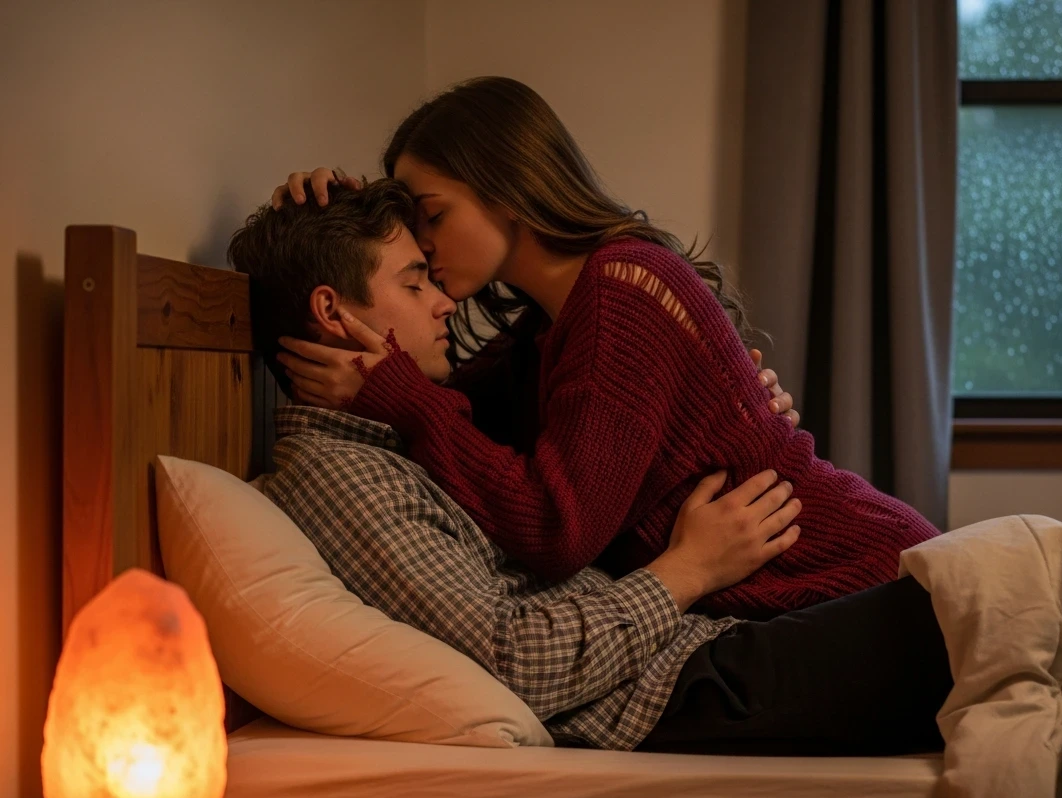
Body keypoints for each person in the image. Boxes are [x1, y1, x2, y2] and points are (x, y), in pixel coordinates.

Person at [227, 179, 954, 756]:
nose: (447, 301)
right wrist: (686, 572)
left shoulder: (408, 429)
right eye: (415, 282)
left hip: (682, 649)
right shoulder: (340, 477)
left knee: (987, 587)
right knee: (973, 611)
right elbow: (512, 663)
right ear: (330, 310)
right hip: (658, 690)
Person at [270, 76, 940, 621]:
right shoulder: (545, 333)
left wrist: (401, 395)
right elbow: (450, 416)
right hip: (823, 604)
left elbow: (558, 531)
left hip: (863, 584)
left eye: (433, 216)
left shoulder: (621, 291)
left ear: (507, 189)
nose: (424, 245)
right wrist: (332, 219)